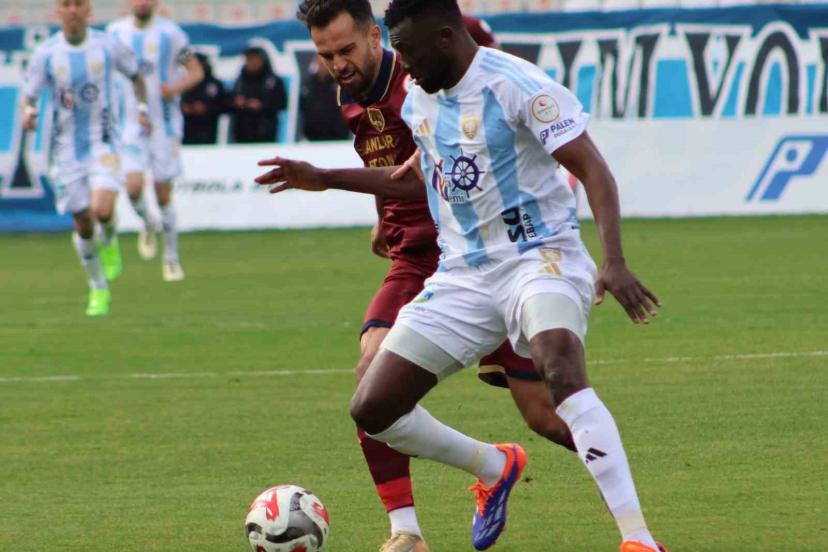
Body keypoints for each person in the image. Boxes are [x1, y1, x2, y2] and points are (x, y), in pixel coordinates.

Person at [262, 1, 668, 551]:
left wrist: (613, 260)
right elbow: (417, 181)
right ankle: (491, 465)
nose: (403, 65)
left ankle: (638, 539)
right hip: (464, 275)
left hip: (539, 256)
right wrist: (325, 178)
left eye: (407, 51)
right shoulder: (421, 99)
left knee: (558, 368)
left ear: (445, 39)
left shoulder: (517, 85)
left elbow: (593, 168)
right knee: (373, 408)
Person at [293, 2, 577, 551]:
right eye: (325, 55)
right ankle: (407, 532)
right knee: (371, 377)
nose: (337, 64)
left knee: (545, 415)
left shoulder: (423, 77)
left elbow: (457, 149)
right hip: (416, 257)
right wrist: (382, 219)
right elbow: (385, 157)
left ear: (374, 36)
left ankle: (622, 497)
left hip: (484, 254)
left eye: (346, 50)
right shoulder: (349, 93)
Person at [22, 0, 149, 316]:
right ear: (58, 12)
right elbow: (29, 95)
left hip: (103, 144)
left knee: (102, 210)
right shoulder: (46, 53)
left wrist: (142, 109)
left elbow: (136, 76)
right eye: (66, 4)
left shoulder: (107, 46)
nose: (73, 10)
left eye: (78, 4)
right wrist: (28, 113)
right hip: (66, 152)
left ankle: (110, 241)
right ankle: (98, 287)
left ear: (88, 11)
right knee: (82, 222)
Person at [108, 0, 203, 281]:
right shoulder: (115, 33)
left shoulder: (172, 34)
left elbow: (196, 72)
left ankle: (171, 257)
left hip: (164, 126)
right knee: (133, 188)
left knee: (163, 194)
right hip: (129, 125)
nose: (142, 3)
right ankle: (148, 222)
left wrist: (174, 88)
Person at [230, 45, 288, 143]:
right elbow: (227, 102)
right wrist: (237, 103)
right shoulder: (240, 81)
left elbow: (282, 103)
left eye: (253, 59)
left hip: (265, 131)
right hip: (242, 132)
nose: (250, 62)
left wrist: (262, 105)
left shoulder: (273, 81)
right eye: (248, 59)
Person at [299, 56, 350, 141]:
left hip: (338, 138)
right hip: (312, 137)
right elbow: (302, 108)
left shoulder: (341, 84)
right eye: (320, 63)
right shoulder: (308, 84)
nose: (323, 65)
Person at [181, 52, 226, 145]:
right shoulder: (182, 83)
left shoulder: (214, 84)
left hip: (208, 129)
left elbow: (223, 104)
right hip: (186, 128)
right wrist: (184, 107)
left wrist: (206, 108)